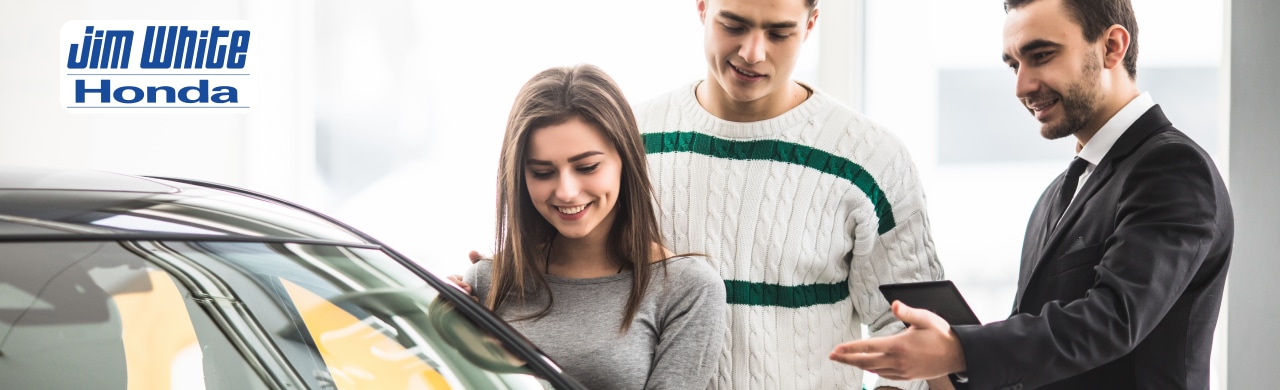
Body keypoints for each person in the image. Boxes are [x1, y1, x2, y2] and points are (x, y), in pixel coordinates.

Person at [828, 0, 1234, 388]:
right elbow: (1042, 352)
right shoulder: (1058, 194)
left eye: (1041, 56)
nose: (1023, 85)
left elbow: (1113, 319)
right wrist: (950, 373)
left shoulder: (1172, 168)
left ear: (1112, 46)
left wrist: (960, 351)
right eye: (1014, 65)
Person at [633, 0, 945, 389]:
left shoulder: (871, 157)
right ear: (701, 7)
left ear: (811, 24)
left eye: (779, 33)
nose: (753, 52)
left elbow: (911, 326)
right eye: (733, 25)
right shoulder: (632, 141)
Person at [459, 64, 727, 390]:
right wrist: (432, 324)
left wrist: (527, 370)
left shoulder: (687, 291)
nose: (567, 191)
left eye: (587, 167)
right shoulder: (488, 283)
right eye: (543, 172)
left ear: (625, 159)